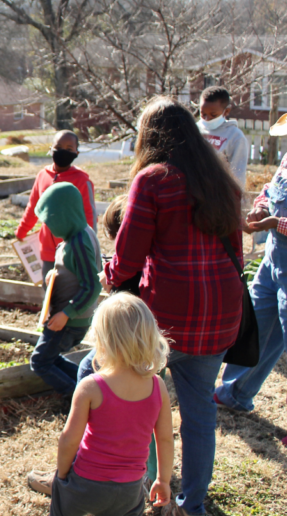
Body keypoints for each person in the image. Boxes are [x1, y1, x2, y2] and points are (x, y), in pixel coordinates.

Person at [94, 97, 242, 516]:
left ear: (149, 138)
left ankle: (121, 484)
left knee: (108, 382)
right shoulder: (221, 180)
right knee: (199, 414)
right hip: (220, 318)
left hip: (167, 321)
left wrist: (109, 276)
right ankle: (189, 504)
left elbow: (126, 260)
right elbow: (238, 253)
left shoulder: (153, 180)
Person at [48, 293, 174, 516]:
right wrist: (163, 480)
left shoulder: (91, 386)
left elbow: (69, 439)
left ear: (102, 340)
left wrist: (62, 474)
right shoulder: (157, 385)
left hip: (86, 482)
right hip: (130, 487)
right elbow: (164, 438)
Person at [215, 117, 287, 422]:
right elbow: (271, 189)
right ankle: (234, 392)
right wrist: (261, 207)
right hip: (274, 259)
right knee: (257, 325)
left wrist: (276, 224)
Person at [29, 182, 101, 397]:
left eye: (51, 221)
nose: (49, 227)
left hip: (69, 320)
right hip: (69, 319)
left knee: (40, 362)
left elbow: (92, 286)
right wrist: (54, 275)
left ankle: (80, 402)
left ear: (64, 215)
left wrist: (66, 314)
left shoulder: (78, 242)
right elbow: (74, 272)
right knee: (51, 358)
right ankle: (89, 388)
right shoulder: (80, 233)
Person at [15, 131, 97, 288]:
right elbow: (34, 206)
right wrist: (22, 231)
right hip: (47, 250)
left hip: (72, 250)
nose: (63, 151)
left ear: (76, 153)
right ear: (51, 148)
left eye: (69, 148)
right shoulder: (42, 176)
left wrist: (90, 244)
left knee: (69, 292)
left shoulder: (81, 180)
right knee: (49, 294)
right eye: (58, 146)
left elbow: (89, 214)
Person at [197, 86, 248, 189]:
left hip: (218, 195)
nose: (207, 119)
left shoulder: (235, 137)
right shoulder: (194, 130)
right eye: (203, 114)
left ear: (226, 111)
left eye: (213, 115)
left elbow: (238, 175)